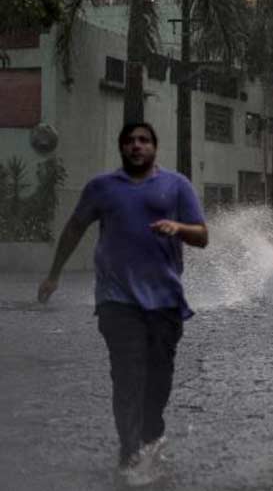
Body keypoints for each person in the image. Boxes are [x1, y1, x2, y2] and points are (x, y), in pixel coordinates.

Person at [37, 122, 208, 485]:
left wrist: (178, 228)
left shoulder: (176, 186)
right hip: (117, 301)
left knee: (158, 381)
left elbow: (203, 236)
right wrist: (54, 274)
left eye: (143, 141)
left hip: (164, 301)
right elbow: (73, 228)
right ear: (121, 149)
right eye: (129, 141)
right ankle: (129, 453)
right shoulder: (102, 188)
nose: (136, 146)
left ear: (154, 148)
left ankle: (150, 434)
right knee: (126, 376)